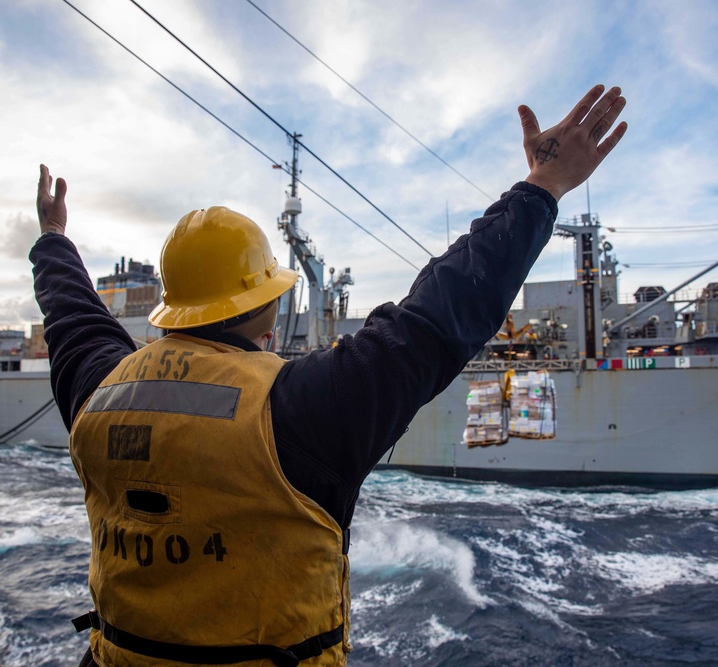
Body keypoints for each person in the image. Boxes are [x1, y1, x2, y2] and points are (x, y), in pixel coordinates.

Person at [32, 85, 627, 667]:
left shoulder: (97, 393)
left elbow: (72, 318)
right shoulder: (298, 408)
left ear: (172, 303)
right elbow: (439, 315)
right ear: (267, 306)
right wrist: (545, 184)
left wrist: (53, 238)